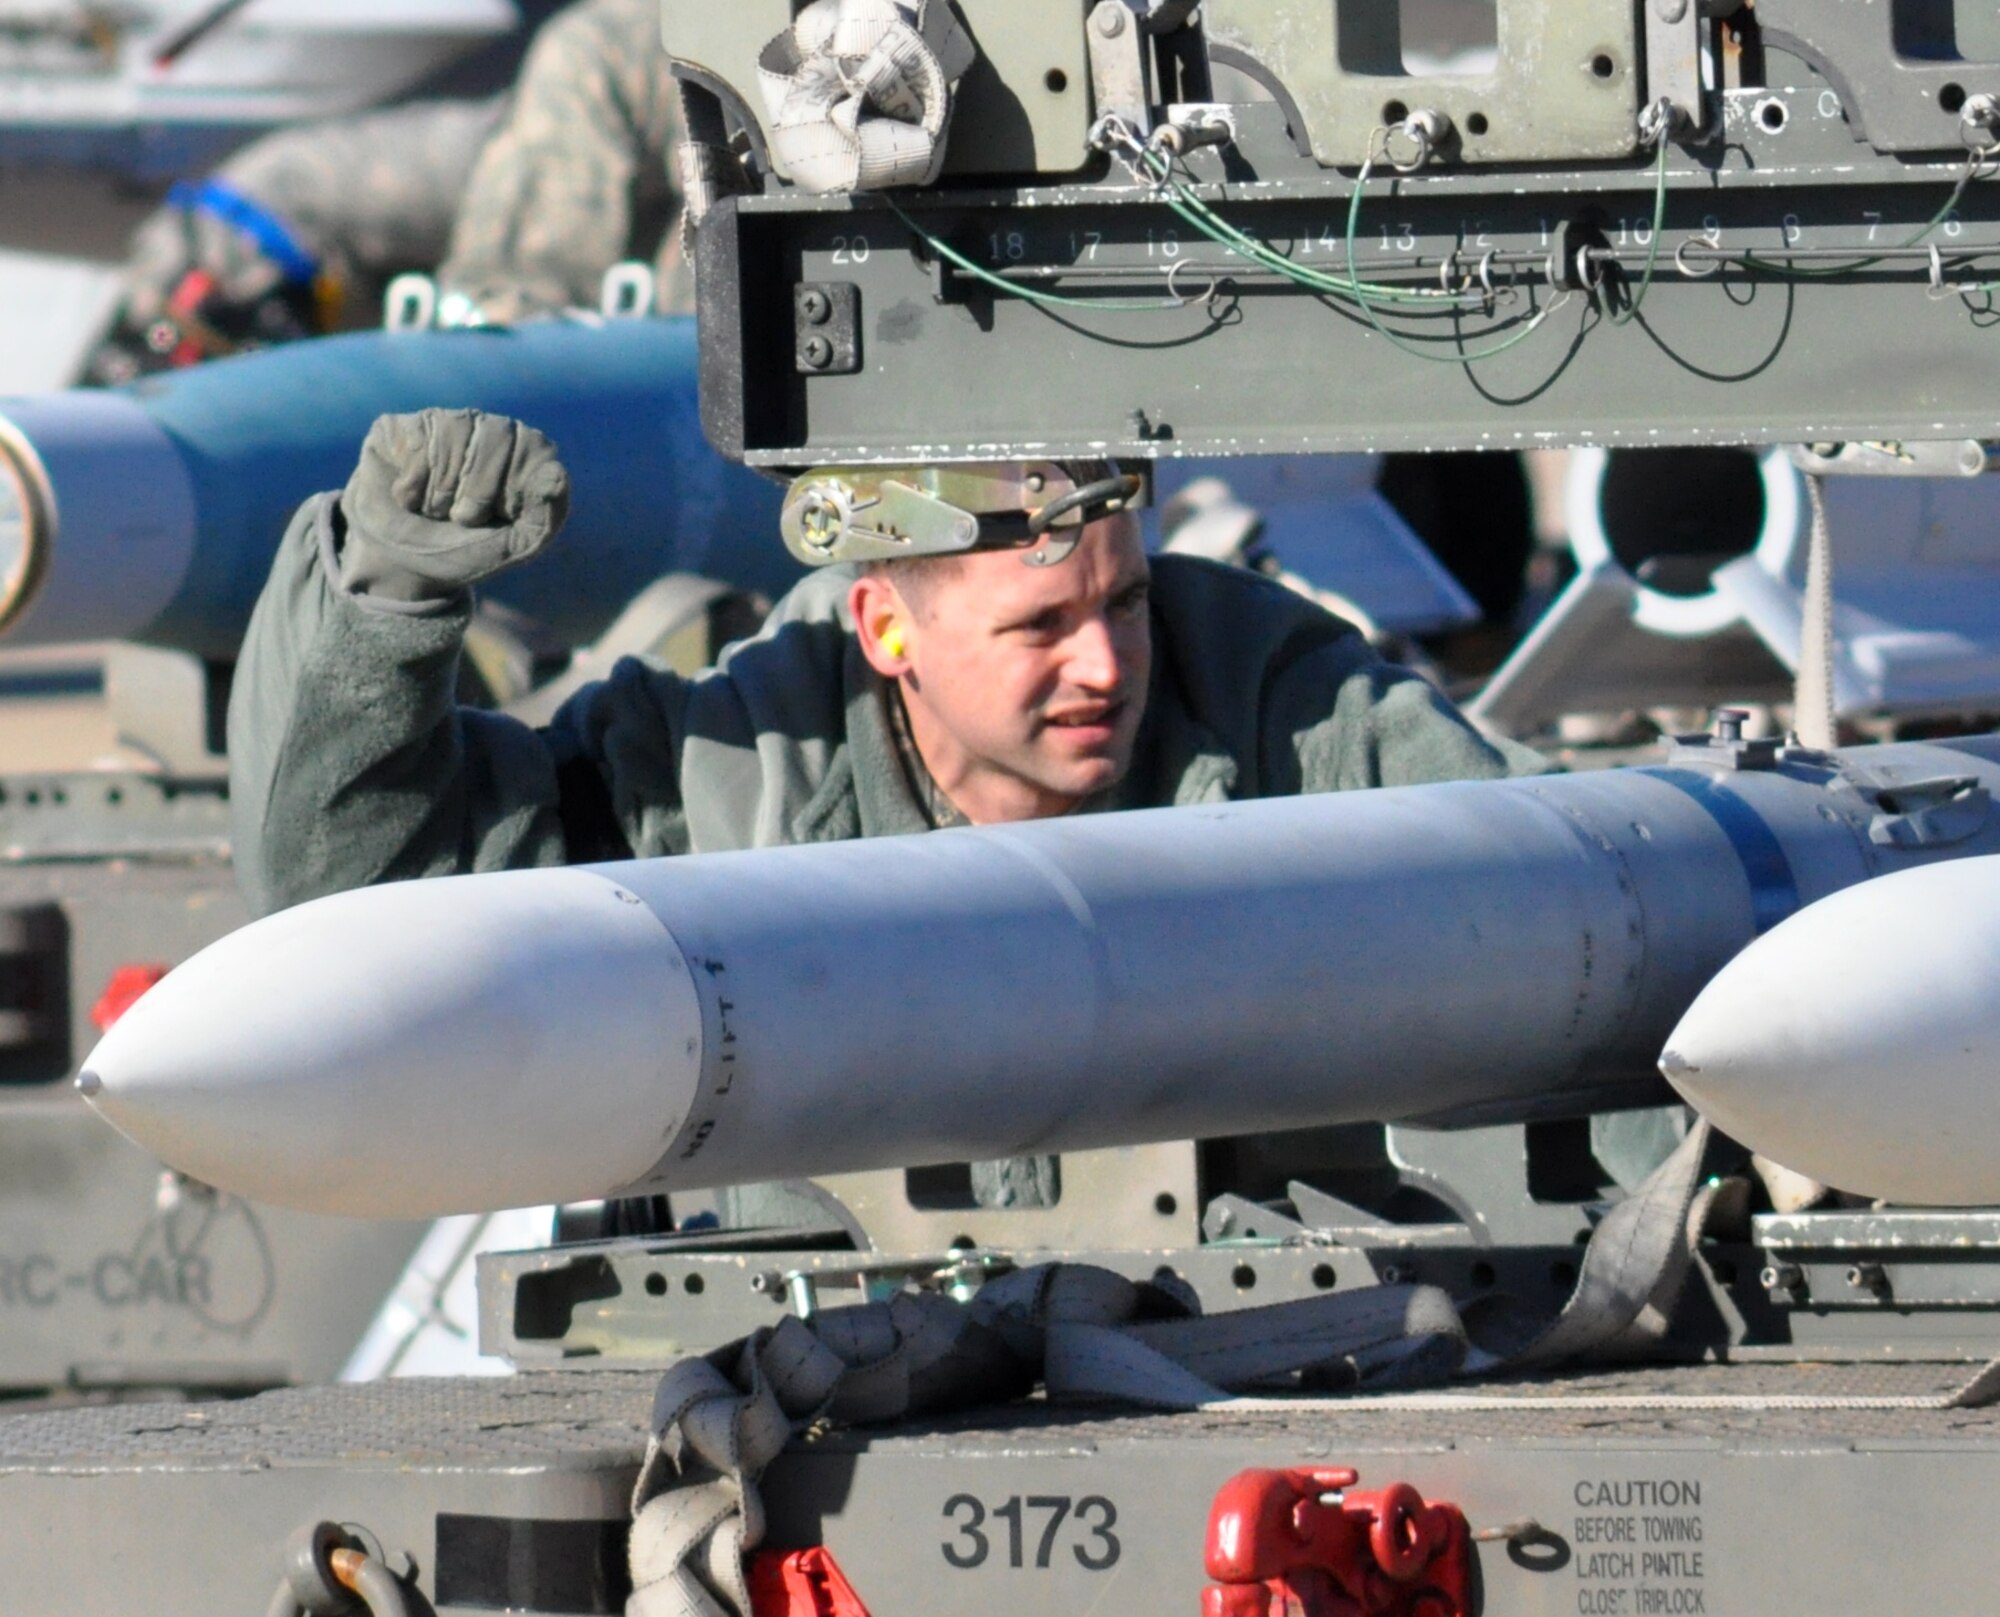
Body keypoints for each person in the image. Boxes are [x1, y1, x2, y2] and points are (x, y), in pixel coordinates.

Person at [230, 412, 1541, 919]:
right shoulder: (717, 780)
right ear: (884, 630)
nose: (1105, 663)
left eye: (1125, 601)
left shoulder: (1278, 705)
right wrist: (382, 598)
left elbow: (1539, 879)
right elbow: (346, 903)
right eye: (1038, 626)